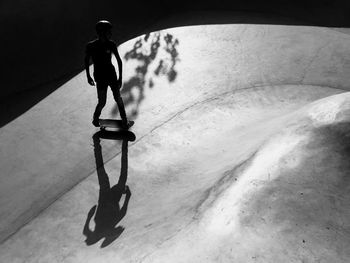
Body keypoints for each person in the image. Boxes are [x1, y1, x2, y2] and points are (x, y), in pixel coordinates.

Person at [85, 20, 128, 127]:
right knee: (102, 102)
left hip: (111, 75)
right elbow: (86, 60)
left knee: (118, 98)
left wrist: (120, 78)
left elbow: (119, 60)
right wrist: (88, 76)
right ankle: (95, 117)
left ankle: (124, 118)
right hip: (100, 77)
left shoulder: (111, 44)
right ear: (102, 32)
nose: (111, 34)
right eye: (109, 31)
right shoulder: (91, 46)